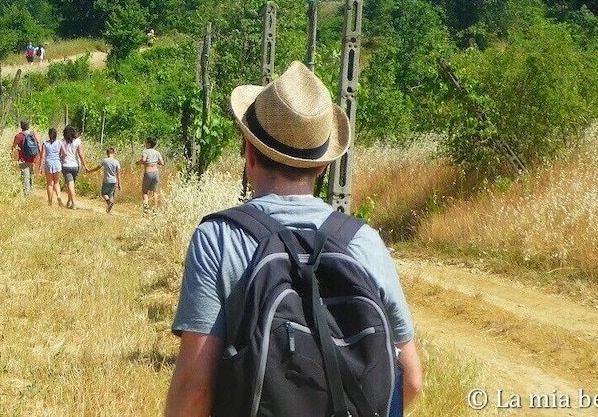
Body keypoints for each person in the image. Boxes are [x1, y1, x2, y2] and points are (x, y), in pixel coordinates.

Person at [165, 61, 423, 416]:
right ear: (324, 166)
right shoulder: (364, 242)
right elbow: (411, 380)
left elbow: (195, 389)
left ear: (249, 151)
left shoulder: (219, 239)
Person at [60, 125, 88, 210]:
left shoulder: (62, 142)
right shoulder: (77, 141)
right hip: (76, 166)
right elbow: (80, 154)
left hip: (66, 165)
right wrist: (85, 165)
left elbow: (60, 154)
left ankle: (74, 203)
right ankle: (69, 201)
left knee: (70, 185)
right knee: (71, 184)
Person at [11, 119, 41, 196]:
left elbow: (13, 147)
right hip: (32, 159)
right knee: (31, 177)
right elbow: (38, 145)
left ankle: (27, 196)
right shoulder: (33, 134)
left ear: (21, 126)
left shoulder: (18, 136)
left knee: (25, 178)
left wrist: (12, 156)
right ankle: (31, 193)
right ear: (28, 126)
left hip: (23, 160)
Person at [136, 137, 165, 212]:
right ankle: (154, 209)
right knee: (154, 192)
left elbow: (144, 160)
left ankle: (146, 206)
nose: (145, 144)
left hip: (148, 172)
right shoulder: (157, 152)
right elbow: (162, 163)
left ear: (149, 144)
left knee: (145, 191)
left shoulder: (145, 151)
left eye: (146, 143)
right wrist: (155, 162)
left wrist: (138, 162)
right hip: (156, 173)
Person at [89, 147, 121, 213]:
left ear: (107, 153)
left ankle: (109, 202)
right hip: (114, 181)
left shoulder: (105, 161)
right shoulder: (116, 162)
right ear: (113, 153)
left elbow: (97, 168)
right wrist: (119, 183)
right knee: (111, 194)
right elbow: (118, 173)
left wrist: (90, 171)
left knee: (103, 193)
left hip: (106, 180)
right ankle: (109, 208)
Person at [42, 127, 64, 207]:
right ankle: (58, 196)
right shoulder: (59, 142)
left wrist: (41, 166)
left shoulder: (45, 143)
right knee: (56, 182)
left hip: (49, 163)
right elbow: (64, 153)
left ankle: (50, 202)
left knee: (50, 184)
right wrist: (60, 157)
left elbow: (43, 155)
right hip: (57, 163)